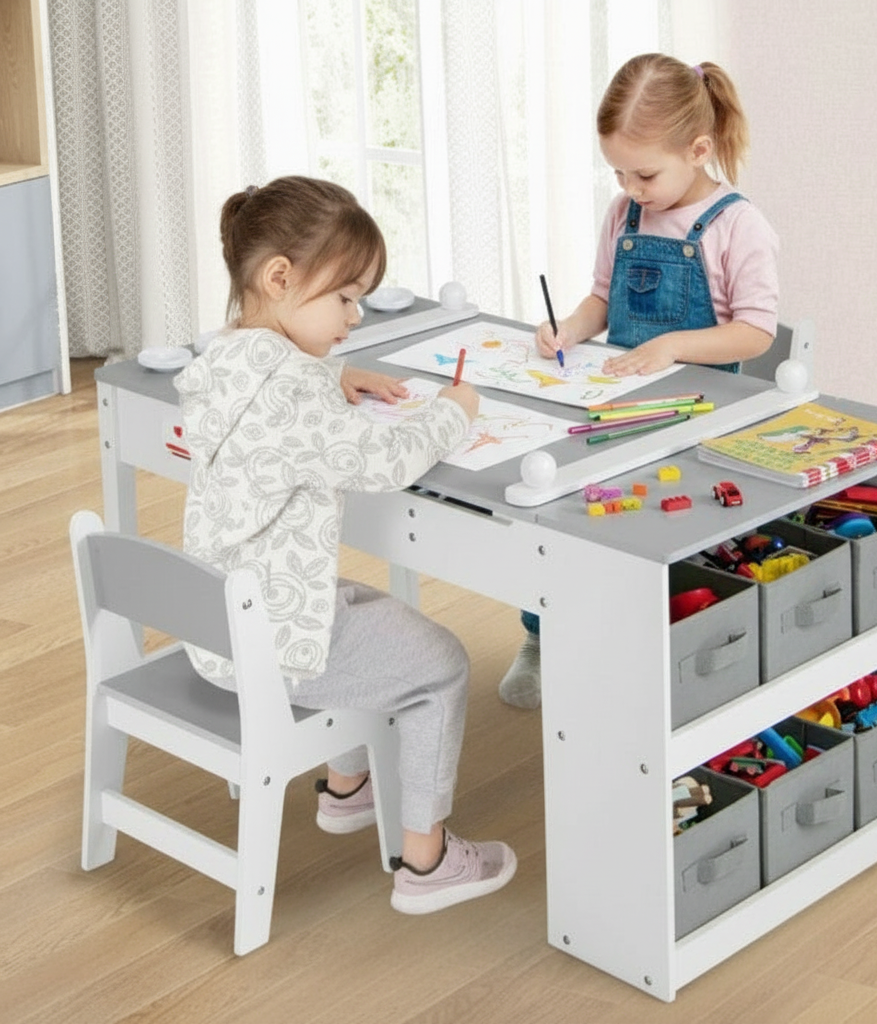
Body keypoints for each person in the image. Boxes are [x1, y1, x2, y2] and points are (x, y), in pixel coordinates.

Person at [174, 175, 516, 913]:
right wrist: (453, 411)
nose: (355, 316)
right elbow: (383, 462)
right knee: (441, 664)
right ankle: (427, 865)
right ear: (279, 277)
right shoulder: (295, 392)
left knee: (363, 606)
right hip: (273, 648)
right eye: (345, 297)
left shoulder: (225, 363)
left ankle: (347, 788)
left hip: (225, 627)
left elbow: (282, 399)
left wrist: (336, 377)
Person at [499, 53, 779, 710]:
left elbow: (757, 332)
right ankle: (543, 635)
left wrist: (674, 345)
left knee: (661, 531)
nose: (630, 186)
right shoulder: (624, 213)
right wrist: (569, 328)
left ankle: (668, 643)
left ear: (699, 149)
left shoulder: (740, 225)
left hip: (696, 412)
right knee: (560, 512)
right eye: (617, 171)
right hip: (616, 404)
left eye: (644, 173)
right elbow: (601, 297)